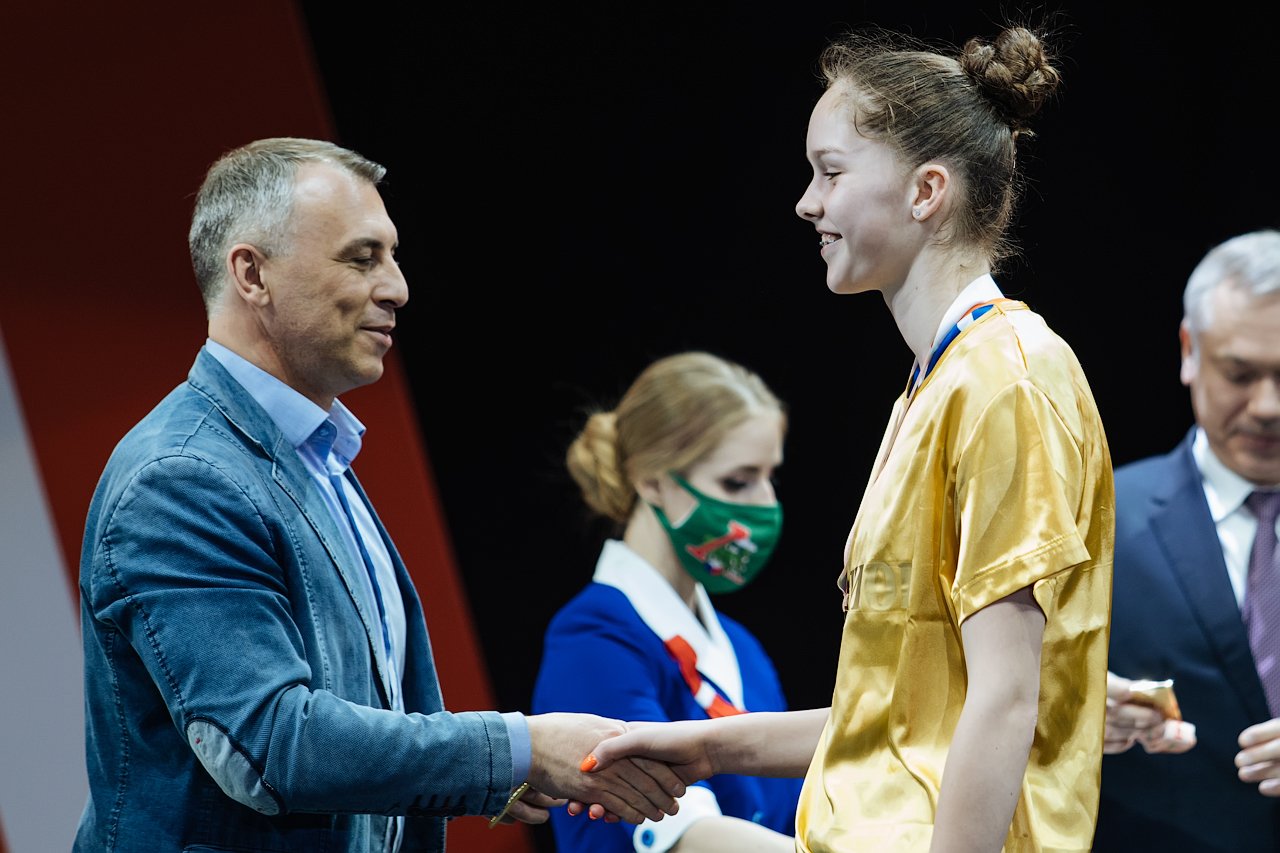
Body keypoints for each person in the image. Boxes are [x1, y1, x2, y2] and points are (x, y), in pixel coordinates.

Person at [570, 22, 1114, 852]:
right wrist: (707, 747)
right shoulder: (936, 384)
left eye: (830, 171)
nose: (807, 202)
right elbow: (901, 716)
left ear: (926, 191)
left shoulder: (1007, 378)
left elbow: (1006, 697)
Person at [72, 137, 684, 853]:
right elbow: (271, 746)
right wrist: (518, 750)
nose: (397, 288)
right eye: (362, 258)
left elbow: (357, 717)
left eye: (392, 256)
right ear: (252, 274)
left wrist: (494, 773)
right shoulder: (181, 476)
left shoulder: (312, 453)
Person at [531, 351, 805, 852]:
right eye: (738, 481)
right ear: (652, 480)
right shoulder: (593, 639)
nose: (766, 504)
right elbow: (680, 836)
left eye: (771, 478)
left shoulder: (742, 649)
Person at [1095, 229, 1280, 851]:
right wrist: (1070, 712)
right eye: (1240, 374)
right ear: (1189, 351)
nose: (1267, 406)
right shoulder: (1100, 520)